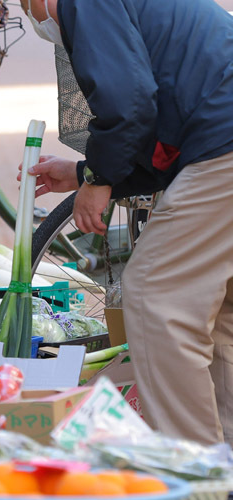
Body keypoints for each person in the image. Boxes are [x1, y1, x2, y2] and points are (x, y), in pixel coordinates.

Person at [20, 0, 233, 446]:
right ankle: (224, 474)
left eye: (26, 5)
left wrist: (99, 177)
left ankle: (195, 479)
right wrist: (84, 175)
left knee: (156, 296)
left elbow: (129, 103)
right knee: (218, 317)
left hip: (221, 140)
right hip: (217, 135)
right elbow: (152, 124)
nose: (33, 15)